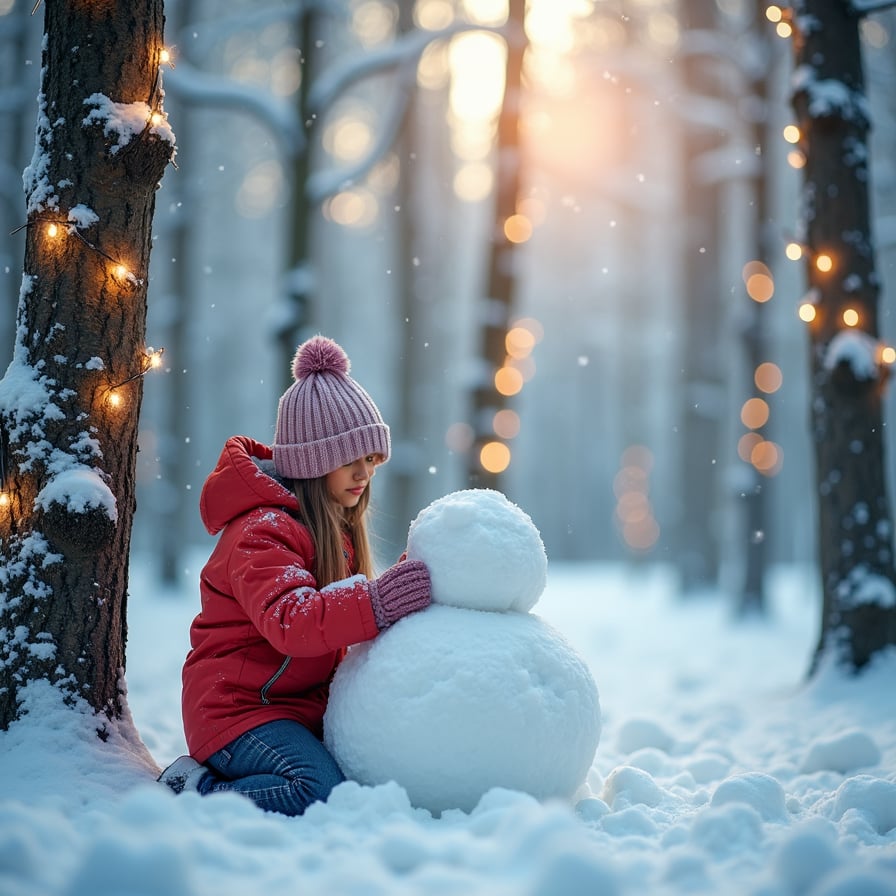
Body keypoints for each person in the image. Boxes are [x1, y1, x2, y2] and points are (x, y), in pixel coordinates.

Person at [157, 335, 431, 816]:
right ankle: (195, 790)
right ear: (313, 461)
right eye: (350, 459)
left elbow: (337, 620)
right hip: (236, 712)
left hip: (294, 708)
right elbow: (294, 621)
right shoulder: (261, 531)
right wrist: (377, 601)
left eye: (371, 459)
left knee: (367, 775)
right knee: (318, 791)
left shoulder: (332, 530)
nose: (363, 472)